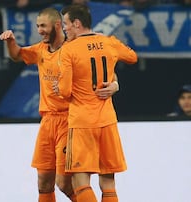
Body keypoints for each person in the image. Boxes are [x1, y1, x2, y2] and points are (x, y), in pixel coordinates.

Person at [0, 7, 119, 202]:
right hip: (47, 122)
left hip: (69, 119)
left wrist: (115, 84)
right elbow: (17, 55)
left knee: (64, 183)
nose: (40, 30)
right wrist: (10, 42)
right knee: (44, 182)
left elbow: (104, 69)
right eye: (38, 26)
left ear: (57, 25)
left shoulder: (73, 48)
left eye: (43, 26)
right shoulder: (40, 49)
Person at [54, 4, 138, 202]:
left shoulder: (69, 50)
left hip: (83, 122)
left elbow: (65, 92)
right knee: (108, 182)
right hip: (107, 120)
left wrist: (60, 87)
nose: (64, 29)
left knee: (80, 181)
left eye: (66, 24)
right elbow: (132, 57)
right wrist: (115, 83)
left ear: (77, 23)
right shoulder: (109, 42)